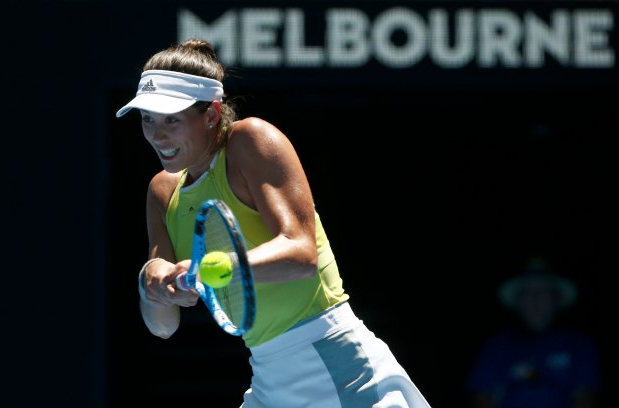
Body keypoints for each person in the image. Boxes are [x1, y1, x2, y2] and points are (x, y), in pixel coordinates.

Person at [115, 38, 431, 408]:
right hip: (269, 380)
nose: (157, 135)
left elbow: (300, 254)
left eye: (172, 120)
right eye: (148, 119)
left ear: (213, 114)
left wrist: (217, 269)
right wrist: (150, 281)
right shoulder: (162, 191)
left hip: (342, 369)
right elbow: (163, 326)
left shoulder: (251, 140)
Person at [464, 257, 601, 408]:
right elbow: (481, 398)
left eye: (543, 291)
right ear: (517, 301)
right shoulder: (496, 346)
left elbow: (585, 398)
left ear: (557, 299)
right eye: (527, 292)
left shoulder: (579, 345)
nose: (535, 299)